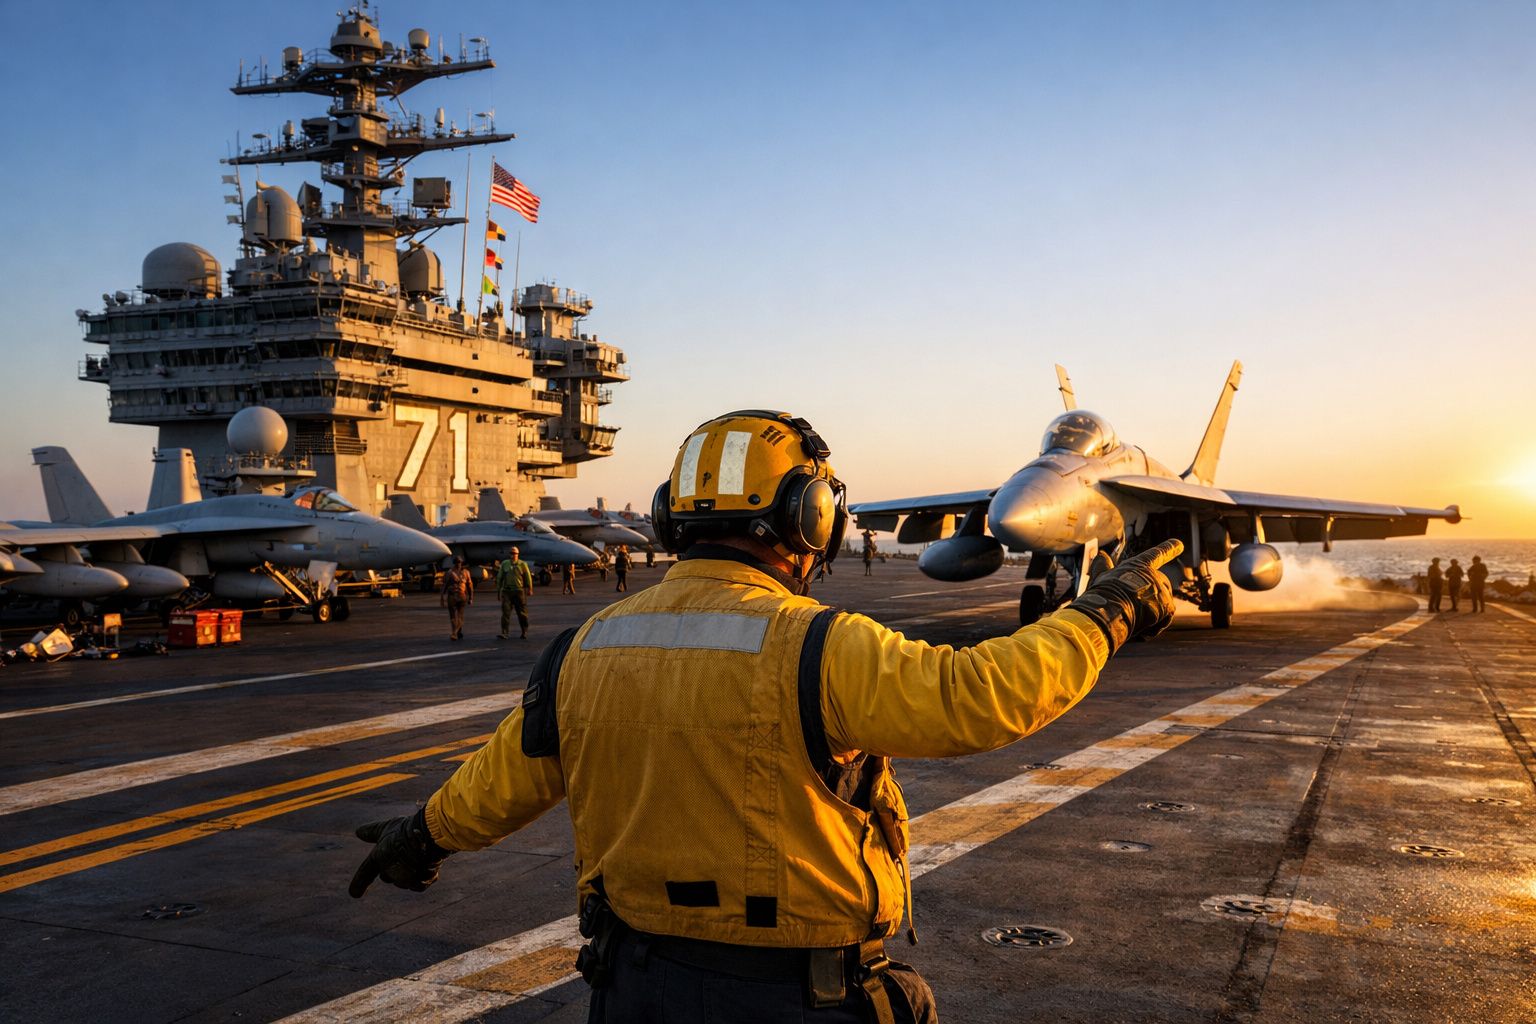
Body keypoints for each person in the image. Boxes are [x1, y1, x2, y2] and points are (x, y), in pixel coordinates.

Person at [349, 409, 1180, 1023]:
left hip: (633, 991)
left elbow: (500, 784)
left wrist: (417, 838)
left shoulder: (582, 650)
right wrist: (1105, 613)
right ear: (810, 519)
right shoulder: (819, 645)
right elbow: (977, 696)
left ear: (673, 518)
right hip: (795, 1000)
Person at [496, 547, 534, 640]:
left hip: (519, 591)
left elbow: (528, 577)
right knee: (505, 613)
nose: (513, 555)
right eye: (511, 553)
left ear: (518, 554)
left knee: (522, 613)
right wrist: (498, 591)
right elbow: (499, 578)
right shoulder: (505, 564)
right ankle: (504, 633)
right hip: (507, 592)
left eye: (515, 553)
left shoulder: (522, 564)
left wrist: (530, 588)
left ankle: (524, 631)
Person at [440, 556, 473, 641]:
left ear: (461, 563)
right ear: (454, 563)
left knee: (460, 616)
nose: (458, 564)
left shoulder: (466, 572)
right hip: (452, 596)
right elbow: (444, 585)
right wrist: (442, 598)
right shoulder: (449, 573)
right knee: (453, 617)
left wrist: (471, 597)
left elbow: (470, 585)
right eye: (457, 562)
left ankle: (455, 633)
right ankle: (457, 632)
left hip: (462, 595)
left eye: (459, 562)